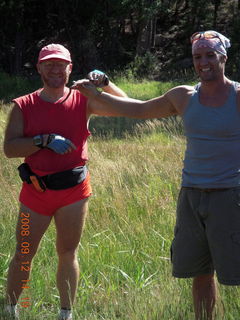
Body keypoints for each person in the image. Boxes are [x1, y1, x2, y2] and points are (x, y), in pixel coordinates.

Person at [71, 30, 240, 320]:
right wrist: (99, 93)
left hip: (230, 195)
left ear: (223, 57)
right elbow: (139, 109)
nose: (203, 62)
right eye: (198, 57)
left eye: (210, 55)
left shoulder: (237, 96)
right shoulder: (183, 96)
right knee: (200, 272)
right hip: (191, 196)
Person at [3, 43, 127, 320]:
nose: (55, 69)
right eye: (49, 64)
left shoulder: (84, 99)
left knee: (68, 252)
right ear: (39, 68)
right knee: (24, 253)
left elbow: (124, 106)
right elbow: (10, 149)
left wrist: (106, 84)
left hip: (74, 192)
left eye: (61, 64)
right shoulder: (24, 105)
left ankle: (66, 313)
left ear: (70, 68)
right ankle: (10, 309)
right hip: (36, 192)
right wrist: (42, 141)